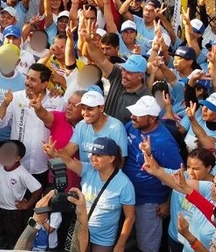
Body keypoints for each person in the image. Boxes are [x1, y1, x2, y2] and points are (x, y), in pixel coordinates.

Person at [46, 136, 135, 251]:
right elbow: (69, 162)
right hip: (80, 231)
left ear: (112, 158)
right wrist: (54, 154)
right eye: (93, 154)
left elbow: (130, 217)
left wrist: (120, 244)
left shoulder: (124, 184)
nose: (94, 158)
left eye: (99, 155)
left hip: (104, 239)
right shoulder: (88, 169)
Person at [123, 95, 183, 252]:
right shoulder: (131, 126)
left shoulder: (164, 143)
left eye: (137, 115)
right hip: (127, 195)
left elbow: (179, 176)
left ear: (151, 119)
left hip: (150, 201)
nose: (132, 117)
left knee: (147, 246)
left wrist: (168, 203)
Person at [0, 140, 42, 249]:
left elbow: (37, 189)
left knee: (13, 239)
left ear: (17, 158)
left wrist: (28, 204)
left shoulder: (22, 174)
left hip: (13, 212)